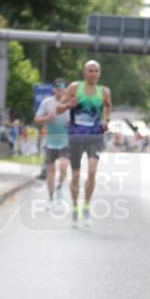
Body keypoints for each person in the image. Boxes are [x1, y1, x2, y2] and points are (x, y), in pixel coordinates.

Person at [57, 60, 112, 228]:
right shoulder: (75, 88)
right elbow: (58, 109)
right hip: (76, 136)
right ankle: (75, 208)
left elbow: (108, 108)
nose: (93, 74)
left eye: (96, 71)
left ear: (99, 73)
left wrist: (105, 121)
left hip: (95, 136)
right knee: (75, 175)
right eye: (90, 71)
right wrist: (68, 105)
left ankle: (86, 207)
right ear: (84, 72)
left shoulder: (104, 91)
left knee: (93, 171)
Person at [34, 78, 70, 209]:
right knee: (51, 171)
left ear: (65, 90)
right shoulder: (47, 102)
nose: (60, 90)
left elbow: (75, 123)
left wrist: (70, 125)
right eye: (58, 88)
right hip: (50, 142)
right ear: (54, 89)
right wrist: (46, 118)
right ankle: (50, 198)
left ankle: (59, 187)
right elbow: (37, 118)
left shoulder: (69, 105)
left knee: (64, 167)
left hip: (65, 141)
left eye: (62, 88)